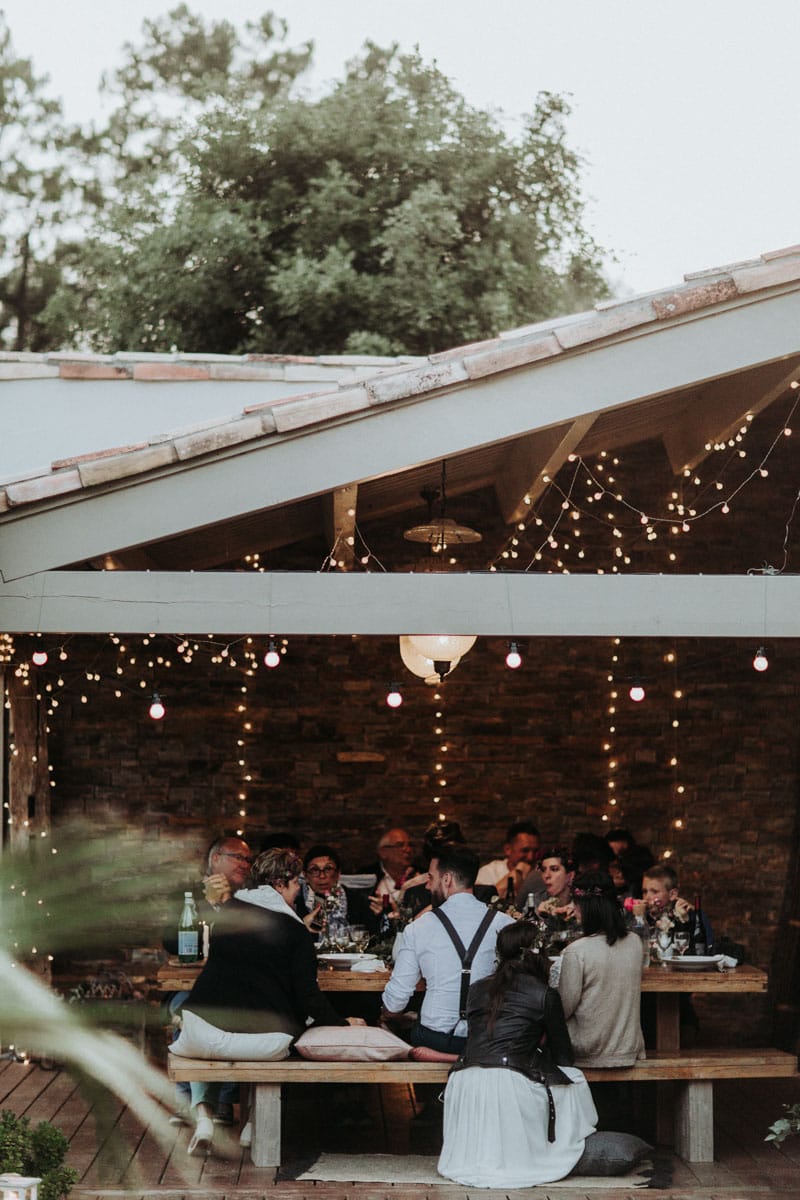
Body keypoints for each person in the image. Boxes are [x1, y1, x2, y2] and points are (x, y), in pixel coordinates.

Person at [182, 848, 363, 1155]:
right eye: (296, 886)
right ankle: (253, 1124)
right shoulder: (296, 933)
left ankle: (204, 1119)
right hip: (262, 1042)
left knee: (233, 1014)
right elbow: (308, 997)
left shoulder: (227, 914)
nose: (298, 894)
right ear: (280, 884)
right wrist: (344, 1023)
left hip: (199, 1035)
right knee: (278, 1029)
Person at [437, 921, 597, 1187]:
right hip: (509, 1087)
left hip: (464, 1083)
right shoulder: (545, 994)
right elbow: (564, 1058)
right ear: (539, 956)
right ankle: (556, 1145)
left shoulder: (476, 989)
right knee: (574, 1077)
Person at [381, 842, 514, 1054]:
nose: (427, 886)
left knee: (398, 1027)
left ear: (447, 879)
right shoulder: (505, 924)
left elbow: (395, 1002)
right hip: (488, 1039)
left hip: (436, 1040)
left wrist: (386, 1014)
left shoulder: (419, 928)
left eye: (431, 878)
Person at [162, 833, 254, 1126]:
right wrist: (204, 907)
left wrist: (227, 904)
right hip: (189, 986)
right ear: (215, 859)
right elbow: (169, 942)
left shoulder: (250, 899)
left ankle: (223, 1100)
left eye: (247, 859)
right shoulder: (186, 895)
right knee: (188, 1010)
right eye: (237, 857)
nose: (245, 863)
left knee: (233, 1014)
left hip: (236, 988)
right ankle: (186, 1099)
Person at [558, 870, 645, 1067]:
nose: (572, 908)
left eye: (575, 903)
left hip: (588, 1050)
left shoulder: (576, 952)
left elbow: (562, 1008)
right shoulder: (635, 943)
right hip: (627, 1047)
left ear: (586, 907)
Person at [296, 842, 373, 935]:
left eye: (328, 869)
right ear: (306, 876)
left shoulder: (356, 900)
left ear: (338, 874)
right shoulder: (295, 902)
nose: (322, 876)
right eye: (315, 870)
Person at [475, 820, 541, 900]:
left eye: (535, 851)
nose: (531, 857)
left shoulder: (541, 873)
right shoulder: (488, 873)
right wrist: (518, 871)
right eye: (525, 850)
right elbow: (482, 902)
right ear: (508, 849)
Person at [365, 827, 415, 917]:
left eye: (410, 845)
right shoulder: (367, 876)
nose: (408, 850)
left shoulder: (421, 876)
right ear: (383, 852)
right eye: (400, 845)